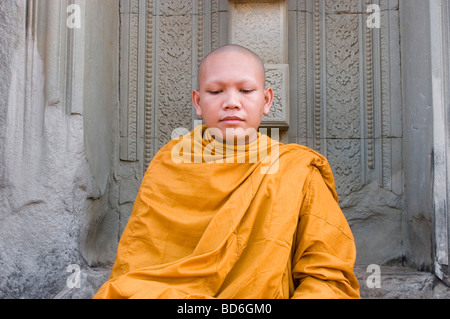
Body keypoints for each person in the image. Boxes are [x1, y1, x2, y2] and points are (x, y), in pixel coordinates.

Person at [94, 44, 360, 299]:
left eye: (245, 90)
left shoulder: (296, 169)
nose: (231, 102)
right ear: (197, 102)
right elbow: (140, 269)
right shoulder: (172, 162)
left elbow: (327, 275)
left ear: (266, 100)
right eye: (215, 92)